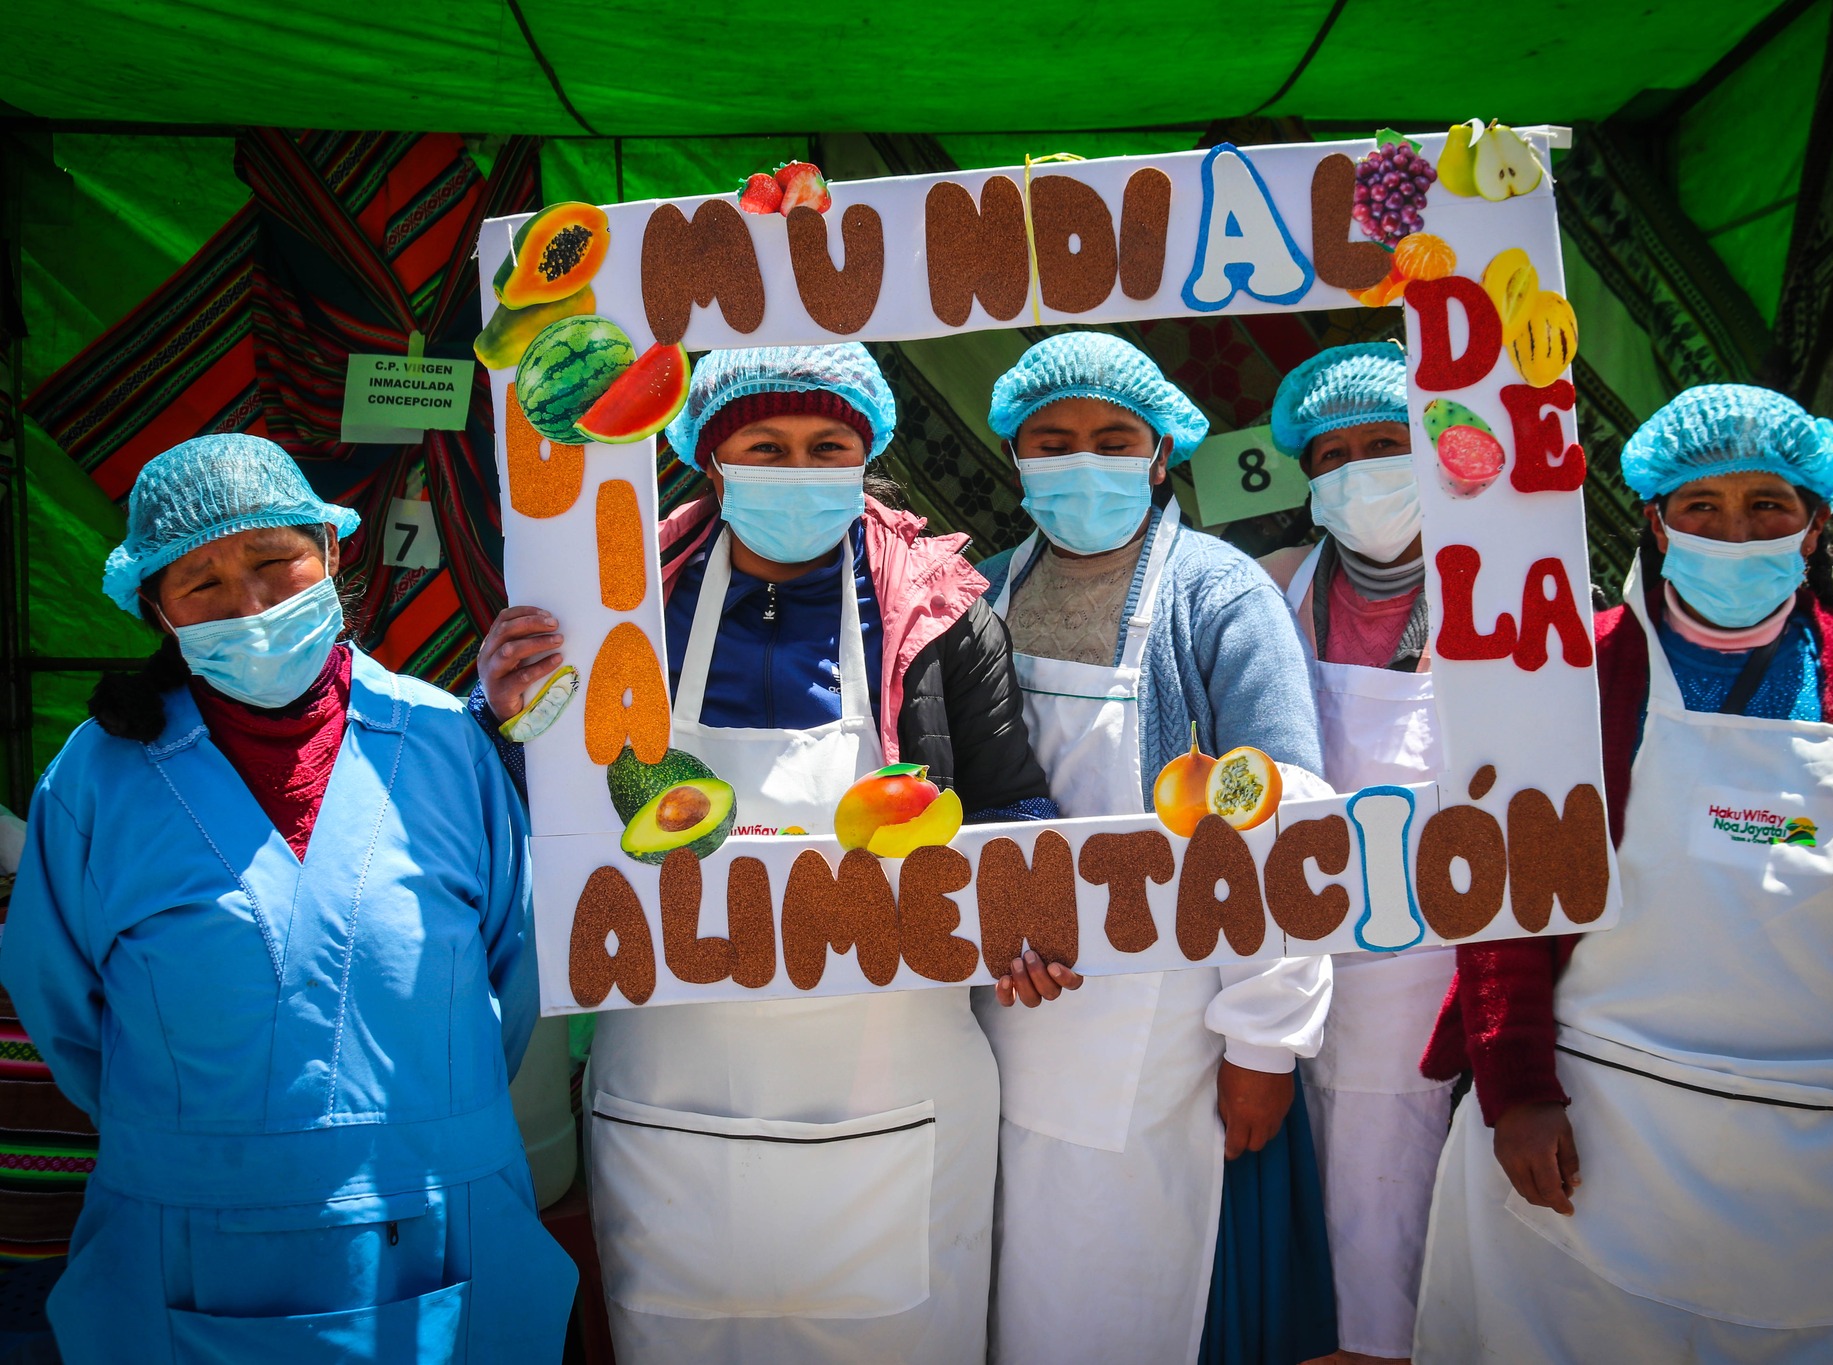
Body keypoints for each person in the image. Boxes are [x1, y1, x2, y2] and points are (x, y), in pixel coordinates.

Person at [473, 342, 1053, 1364]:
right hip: (670, 1097)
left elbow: (1008, 802)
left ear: (865, 452)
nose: (795, 471)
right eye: (764, 447)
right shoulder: (619, 605)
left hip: (895, 1093)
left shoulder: (944, 615)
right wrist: (502, 707)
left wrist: (1029, 917)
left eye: (826, 446)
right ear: (709, 459)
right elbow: (518, 799)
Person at [1412, 385, 1833, 1362]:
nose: (1733, 532)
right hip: (1601, 1133)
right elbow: (1509, 889)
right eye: (1700, 507)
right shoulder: (1584, 669)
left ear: (1814, 524)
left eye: (1766, 506)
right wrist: (1515, 1089)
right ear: (1654, 520)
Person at [1, 435, 576, 1362]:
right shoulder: (96, 784)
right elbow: (66, 1014)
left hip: (444, 1230)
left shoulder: (444, 743)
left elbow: (510, 973)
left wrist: (417, 1113)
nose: (253, 607)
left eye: (275, 564)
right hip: (186, 1251)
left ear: (334, 552)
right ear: (157, 608)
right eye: (205, 586)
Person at [973, 332, 1336, 1365]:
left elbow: (1284, 821)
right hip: (999, 1012)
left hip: (1163, 1032)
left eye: (1111, 437)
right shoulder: (977, 594)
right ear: (1016, 456)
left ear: (1159, 453)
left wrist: (1264, 1042)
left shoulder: (1218, 598)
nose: (1082, 458)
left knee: (1123, 1298)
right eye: (1053, 438)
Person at [1257, 343, 1453, 1365]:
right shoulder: (1272, 592)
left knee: (1390, 1207)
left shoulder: (1508, 595)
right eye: (1331, 455)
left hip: (1429, 968)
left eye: (1386, 443)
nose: (1359, 472)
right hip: (1283, 956)